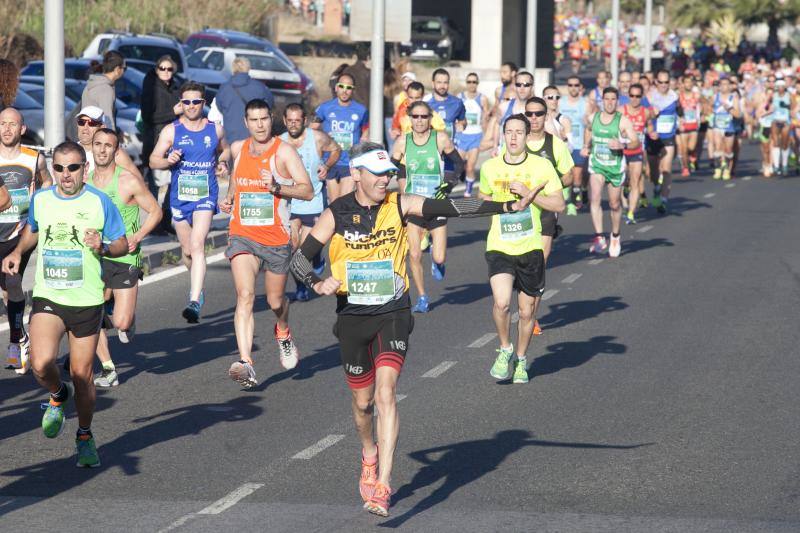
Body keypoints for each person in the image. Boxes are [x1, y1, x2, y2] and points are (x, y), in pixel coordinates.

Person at [289, 141, 536, 517]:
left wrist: (505, 206)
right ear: (356, 174)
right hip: (352, 316)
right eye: (377, 174)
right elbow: (299, 261)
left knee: (386, 394)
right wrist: (316, 282)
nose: (385, 180)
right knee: (363, 404)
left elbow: (452, 207)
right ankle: (369, 453)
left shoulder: (400, 203)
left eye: (388, 174)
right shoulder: (335, 213)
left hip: (393, 311)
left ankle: (384, 484)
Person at [2, 140, 128, 468]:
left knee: (82, 375)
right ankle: (59, 393)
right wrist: (17, 252)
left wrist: (103, 246)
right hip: (50, 295)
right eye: (59, 168)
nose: (65, 174)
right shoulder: (42, 199)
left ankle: (84, 435)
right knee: (41, 363)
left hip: (86, 300)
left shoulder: (99, 202)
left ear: (84, 169)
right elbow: (33, 230)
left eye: (72, 167)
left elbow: (122, 244)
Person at [219, 99, 313, 388]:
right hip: (242, 234)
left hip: (275, 239)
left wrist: (276, 187)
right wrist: (230, 197)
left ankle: (283, 330)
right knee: (245, 295)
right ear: (245, 122)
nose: (259, 125)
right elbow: (236, 179)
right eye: (254, 120)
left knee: (275, 301)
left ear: (271, 120)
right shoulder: (239, 148)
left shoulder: (284, 152)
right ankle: (246, 362)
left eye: (264, 119)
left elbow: (307, 191)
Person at [482, 114, 565, 384]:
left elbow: (559, 204)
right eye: (509, 131)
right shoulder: (490, 167)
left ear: (527, 136)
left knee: (527, 312)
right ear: (503, 135)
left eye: (519, 132)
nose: (514, 137)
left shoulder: (542, 166)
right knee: (502, 302)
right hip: (500, 246)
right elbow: (483, 197)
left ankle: (521, 359)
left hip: (530, 247)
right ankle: (505, 348)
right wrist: (493, 201)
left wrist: (530, 194)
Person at [86, 128, 161, 388]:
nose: (102, 150)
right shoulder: (85, 181)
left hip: (125, 256)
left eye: (108, 145)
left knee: (121, 322)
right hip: (96, 256)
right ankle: (108, 368)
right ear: (92, 147)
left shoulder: (128, 181)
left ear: (116, 150)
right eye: (98, 144)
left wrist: (137, 237)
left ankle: (120, 313)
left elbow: (155, 211)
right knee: (89, 313)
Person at [150, 81, 230, 323]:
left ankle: (194, 301)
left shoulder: (215, 129)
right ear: (181, 104)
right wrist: (168, 160)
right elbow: (153, 160)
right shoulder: (171, 131)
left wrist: (222, 162)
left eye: (196, 101)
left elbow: (225, 150)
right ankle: (198, 287)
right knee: (187, 251)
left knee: (197, 245)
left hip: (206, 195)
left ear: (203, 103)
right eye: (187, 101)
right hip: (180, 198)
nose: (192, 106)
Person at [391, 100, 463, 313]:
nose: (420, 121)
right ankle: (422, 297)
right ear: (409, 118)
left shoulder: (440, 138)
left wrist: (449, 184)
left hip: (436, 204)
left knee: (439, 257)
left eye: (424, 116)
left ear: (430, 118)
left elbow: (458, 163)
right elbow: (391, 168)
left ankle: (437, 261)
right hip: (414, 206)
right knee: (414, 254)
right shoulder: (402, 142)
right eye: (416, 117)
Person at [521, 97, 574, 336]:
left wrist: (550, 187)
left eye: (538, 114)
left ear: (546, 116)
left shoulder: (555, 145)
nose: (534, 118)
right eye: (529, 114)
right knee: (521, 265)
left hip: (545, 212)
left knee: (538, 265)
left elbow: (569, 176)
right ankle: (525, 308)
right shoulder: (516, 142)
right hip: (520, 213)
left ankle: (531, 316)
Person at [280, 103, 341, 302]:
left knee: (304, 250)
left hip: (312, 200)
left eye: (297, 120)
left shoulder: (317, 138)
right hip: (290, 202)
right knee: (292, 247)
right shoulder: (279, 142)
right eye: (290, 121)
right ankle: (301, 287)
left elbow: (336, 149)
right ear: (284, 121)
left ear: (304, 121)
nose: (293, 124)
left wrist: (326, 165)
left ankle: (317, 256)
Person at [0, 107, 39, 373]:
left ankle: (16, 341)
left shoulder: (34, 159)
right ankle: (21, 335)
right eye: (2, 123)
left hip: (20, 233)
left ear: (22, 129)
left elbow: (45, 187)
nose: (7, 129)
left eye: (12, 124)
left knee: (12, 283)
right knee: (5, 290)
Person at [582, 87, 640, 257]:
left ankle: (615, 235)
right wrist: (586, 146)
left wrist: (623, 145)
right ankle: (600, 237)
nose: (609, 102)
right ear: (602, 101)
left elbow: (636, 141)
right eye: (606, 99)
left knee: (614, 204)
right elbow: (588, 130)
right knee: (595, 197)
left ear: (617, 101)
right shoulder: (594, 118)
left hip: (615, 167)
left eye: (613, 99)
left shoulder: (623, 121)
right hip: (597, 165)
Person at [141, 55, 182, 234]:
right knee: (156, 185)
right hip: (155, 141)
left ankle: (165, 219)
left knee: (174, 181)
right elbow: (148, 117)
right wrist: (173, 112)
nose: (165, 72)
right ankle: (155, 223)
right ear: (156, 69)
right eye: (162, 68)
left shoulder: (175, 87)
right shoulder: (151, 87)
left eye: (169, 69)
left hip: (173, 140)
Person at [312, 73, 369, 202]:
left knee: (344, 201)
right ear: (336, 88)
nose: (345, 90)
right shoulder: (324, 108)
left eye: (349, 87)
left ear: (353, 90)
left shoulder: (361, 110)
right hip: (330, 161)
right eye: (342, 86)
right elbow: (312, 130)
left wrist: (362, 145)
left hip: (349, 162)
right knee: (334, 203)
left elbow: (366, 130)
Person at [213, 57, 275, 144]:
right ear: (248, 68)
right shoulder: (259, 87)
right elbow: (269, 105)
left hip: (231, 136)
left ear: (233, 69)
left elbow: (220, 107)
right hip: (254, 135)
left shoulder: (224, 88)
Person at [74, 106, 142, 178]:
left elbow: (137, 180)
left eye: (92, 123)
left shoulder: (114, 154)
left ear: (102, 127)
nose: (85, 127)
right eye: (81, 122)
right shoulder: (70, 151)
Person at [646, 70, 679, 214]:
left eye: (666, 82)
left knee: (666, 169)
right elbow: (643, 114)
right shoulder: (650, 96)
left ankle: (663, 200)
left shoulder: (674, 96)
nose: (664, 85)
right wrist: (651, 112)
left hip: (668, 137)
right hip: (653, 137)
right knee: (653, 171)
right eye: (661, 82)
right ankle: (656, 187)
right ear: (656, 82)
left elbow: (679, 111)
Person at [559, 76, 590, 214]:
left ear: (580, 87)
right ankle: (568, 196)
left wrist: (586, 145)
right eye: (570, 85)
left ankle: (572, 202)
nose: (573, 87)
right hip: (564, 144)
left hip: (578, 144)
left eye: (576, 85)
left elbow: (589, 126)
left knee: (577, 175)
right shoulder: (561, 102)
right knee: (566, 173)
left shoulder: (586, 103)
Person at [620, 83, 651, 224]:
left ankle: (631, 213)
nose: (634, 99)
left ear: (642, 97)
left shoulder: (646, 112)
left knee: (636, 180)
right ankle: (625, 190)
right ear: (628, 96)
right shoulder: (621, 110)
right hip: (622, 151)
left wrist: (653, 133)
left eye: (638, 96)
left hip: (637, 151)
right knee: (624, 178)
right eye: (632, 95)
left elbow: (649, 127)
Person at [455, 73, 489, 197]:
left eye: (474, 82)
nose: (471, 84)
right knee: (458, 166)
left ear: (477, 83)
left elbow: (485, 118)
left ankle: (468, 192)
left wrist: (486, 135)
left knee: (470, 167)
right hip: (461, 136)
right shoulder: (459, 97)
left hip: (476, 136)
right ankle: (463, 171)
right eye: (469, 82)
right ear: (466, 83)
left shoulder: (482, 98)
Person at [79, 51, 126, 130]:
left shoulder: (92, 84)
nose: (124, 71)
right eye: (124, 68)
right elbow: (108, 121)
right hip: (98, 135)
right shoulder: (105, 89)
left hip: (88, 133)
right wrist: (112, 136)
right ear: (117, 69)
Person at [493, 71, 535, 151]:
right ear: (514, 87)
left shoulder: (538, 111)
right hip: (505, 154)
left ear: (532, 87)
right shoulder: (503, 107)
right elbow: (497, 125)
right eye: (518, 84)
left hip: (527, 154)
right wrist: (495, 146)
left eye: (526, 85)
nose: (522, 88)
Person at [709, 76, 741, 180]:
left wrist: (729, 108)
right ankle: (718, 168)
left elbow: (738, 114)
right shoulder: (714, 97)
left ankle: (727, 169)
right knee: (718, 146)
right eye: (722, 84)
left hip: (729, 126)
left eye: (726, 84)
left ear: (730, 86)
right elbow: (708, 108)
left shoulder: (734, 98)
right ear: (719, 86)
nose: (724, 87)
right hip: (717, 126)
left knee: (728, 150)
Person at [676, 74, 701, 177]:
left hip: (694, 124)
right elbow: (676, 110)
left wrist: (701, 117)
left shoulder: (696, 95)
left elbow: (701, 107)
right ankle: (685, 168)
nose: (688, 84)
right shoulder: (679, 96)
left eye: (690, 82)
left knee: (691, 147)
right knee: (683, 149)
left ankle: (692, 155)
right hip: (683, 125)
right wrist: (678, 121)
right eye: (686, 82)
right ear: (683, 84)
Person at [770, 78, 792, 176]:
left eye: (782, 86)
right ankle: (776, 165)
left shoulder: (789, 95)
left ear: (784, 87)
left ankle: (784, 164)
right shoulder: (773, 95)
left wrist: (787, 107)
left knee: (785, 143)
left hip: (785, 121)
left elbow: (794, 107)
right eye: (778, 86)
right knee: (775, 142)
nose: (780, 88)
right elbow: (767, 105)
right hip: (775, 120)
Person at [343, 44, 372, 109]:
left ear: (356, 56)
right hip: (365, 108)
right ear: (368, 57)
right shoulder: (369, 73)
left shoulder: (347, 70)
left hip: (349, 106)